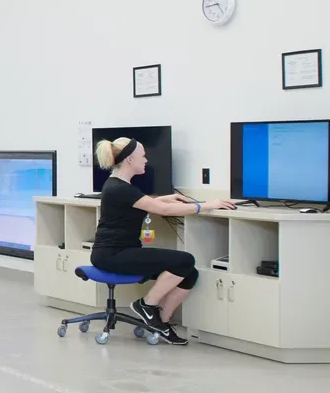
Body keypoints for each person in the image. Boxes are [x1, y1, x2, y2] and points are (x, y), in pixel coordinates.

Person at [91, 137, 236, 344]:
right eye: (143, 156)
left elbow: (140, 204)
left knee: (188, 273)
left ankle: (160, 324)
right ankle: (146, 305)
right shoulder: (120, 188)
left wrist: (166, 198)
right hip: (112, 255)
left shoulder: (117, 185)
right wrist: (206, 205)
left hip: (119, 252)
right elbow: (163, 210)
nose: (146, 160)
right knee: (185, 260)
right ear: (130, 160)